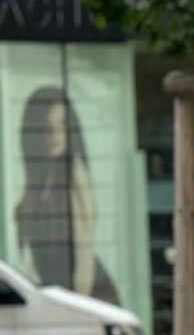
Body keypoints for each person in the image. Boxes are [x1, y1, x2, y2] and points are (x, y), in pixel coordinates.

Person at [12, 85, 120, 306]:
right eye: (45, 127)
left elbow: (83, 253)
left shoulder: (74, 175)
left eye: (61, 125)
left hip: (87, 293)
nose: (53, 135)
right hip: (58, 293)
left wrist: (78, 306)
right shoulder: (39, 179)